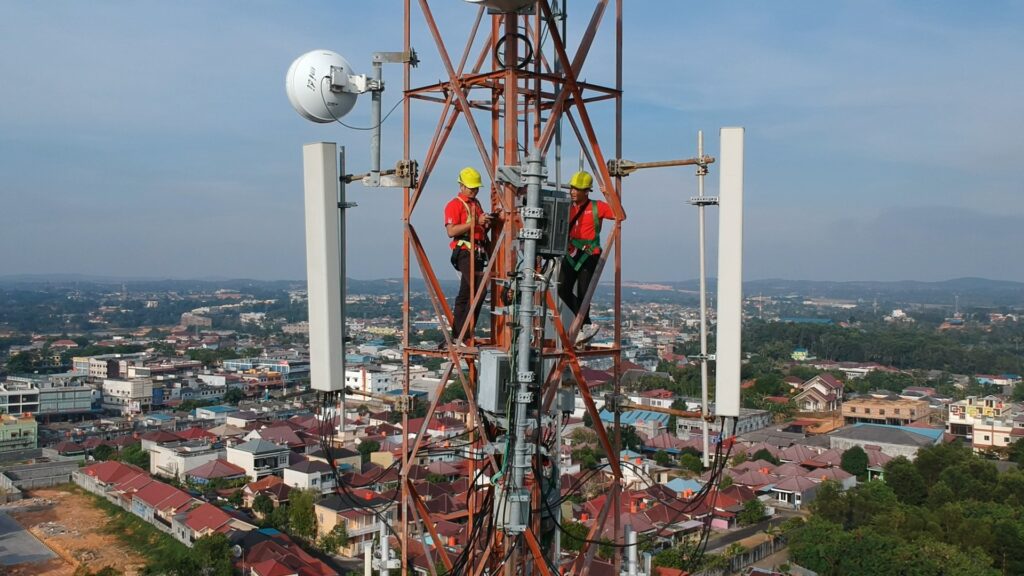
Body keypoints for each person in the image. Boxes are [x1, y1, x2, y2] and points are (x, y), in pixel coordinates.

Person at [558, 170, 619, 345]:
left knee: (584, 294)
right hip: (571, 253)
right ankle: (585, 324)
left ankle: (585, 326)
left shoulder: (597, 207)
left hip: (589, 255)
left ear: (586, 191)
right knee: (562, 289)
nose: (573, 192)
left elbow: (619, 214)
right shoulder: (568, 207)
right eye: (572, 188)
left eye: (577, 189)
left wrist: (608, 195)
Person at [445, 167, 493, 344]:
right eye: (471, 188)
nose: (474, 191)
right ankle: (463, 332)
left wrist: (485, 222)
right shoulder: (455, 205)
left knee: (465, 294)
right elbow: (451, 231)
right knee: (479, 292)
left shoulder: (476, 204)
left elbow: (479, 227)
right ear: (461, 186)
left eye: (476, 188)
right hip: (465, 252)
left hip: (477, 251)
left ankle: (458, 334)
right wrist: (475, 223)